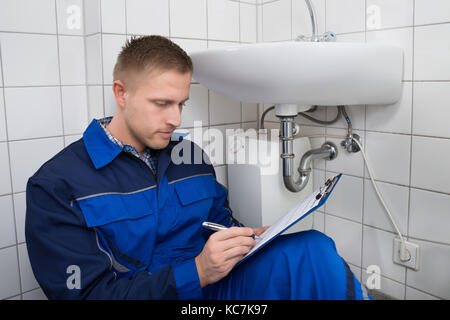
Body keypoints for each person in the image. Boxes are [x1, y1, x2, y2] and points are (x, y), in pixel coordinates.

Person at [25, 35, 369, 300]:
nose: (175, 119)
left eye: (181, 104)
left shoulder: (189, 157)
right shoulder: (56, 185)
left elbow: (217, 221)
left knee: (312, 248)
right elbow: (87, 294)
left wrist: (247, 237)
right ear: (121, 93)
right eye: (161, 104)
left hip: (215, 290)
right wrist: (196, 272)